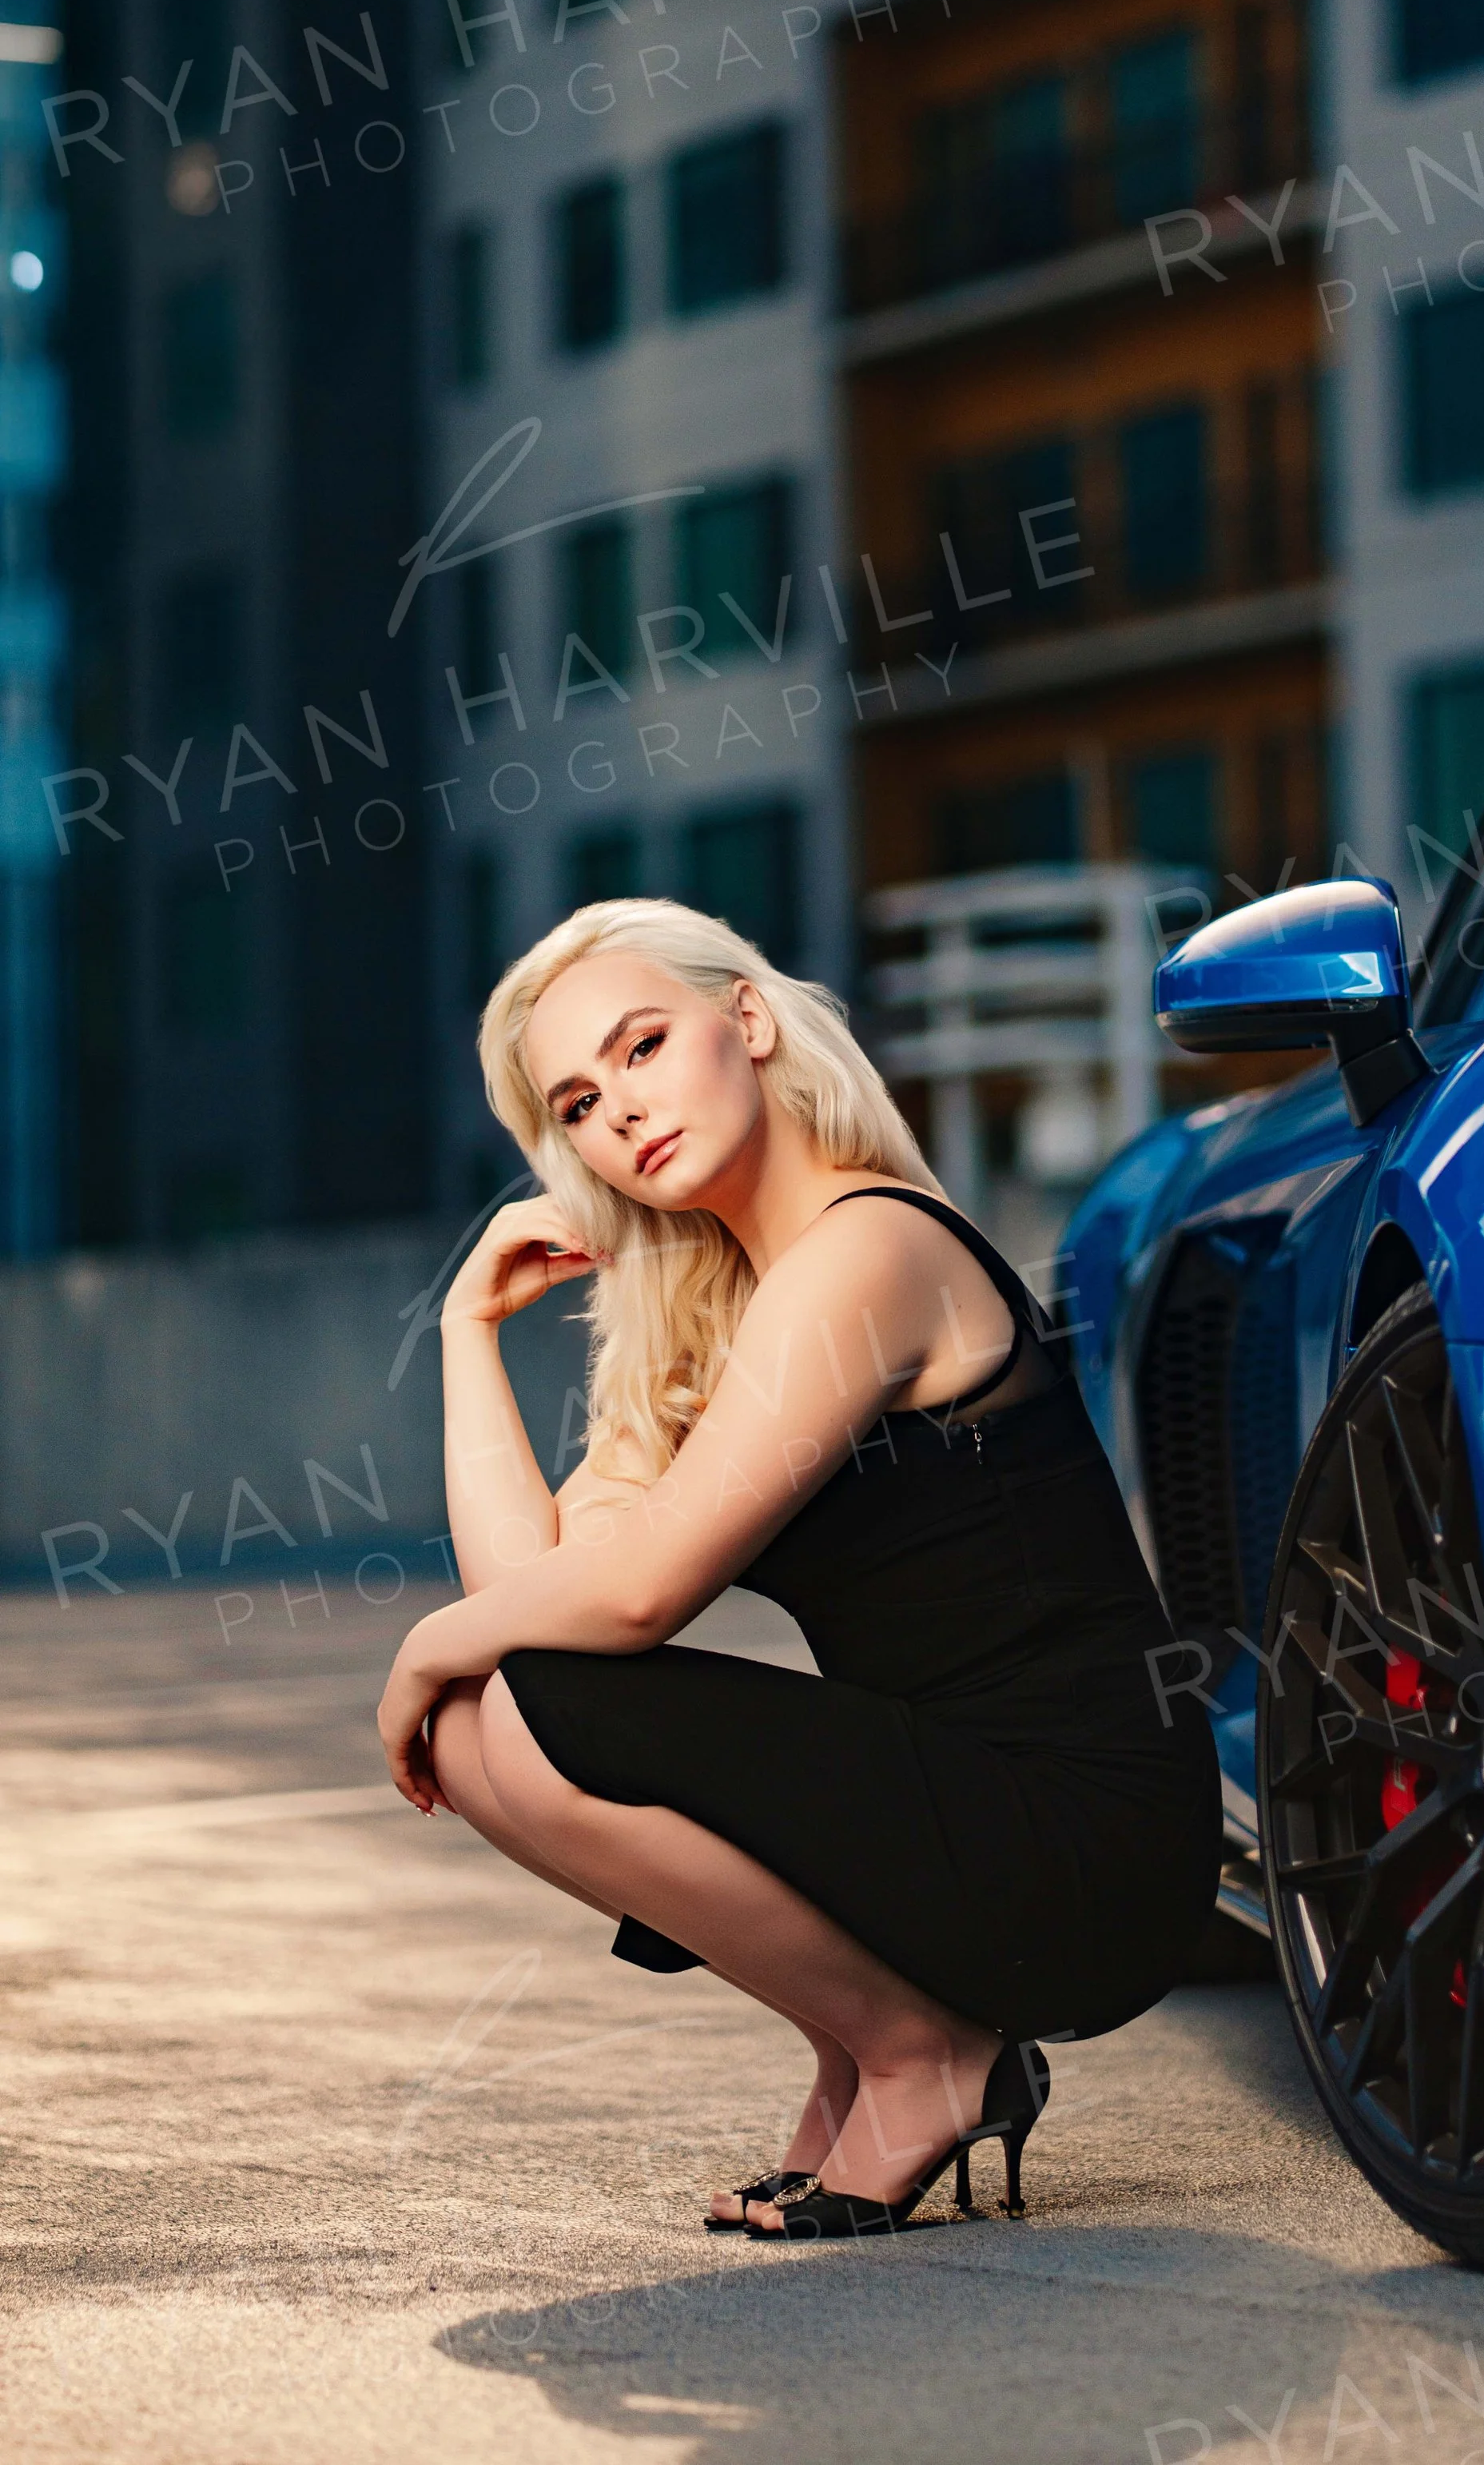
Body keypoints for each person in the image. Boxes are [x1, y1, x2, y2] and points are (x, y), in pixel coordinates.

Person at [375, 898, 1220, 2240]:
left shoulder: (869, 1251)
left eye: (644, 1045)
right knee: (497, 1718)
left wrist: (425, 1647)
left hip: (1089, 1828)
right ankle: (872, 2041)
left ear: (749, 1020)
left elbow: (628, 1600)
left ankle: (920, 2051)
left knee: (502, 1697)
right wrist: (470, 1331)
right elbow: (531, 1595)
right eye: (581, 1102)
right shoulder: (721, 1304)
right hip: (953, 1805)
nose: (621, 1114)